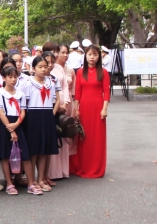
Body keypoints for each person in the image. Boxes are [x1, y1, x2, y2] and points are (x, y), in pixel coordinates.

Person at [70, 45, 109, 179]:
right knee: (84, 138)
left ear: (99, 57)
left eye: (95, 55)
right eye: (89, 55)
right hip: (84, 108)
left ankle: (97, 168)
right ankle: (84, 166)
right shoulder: (80, 72)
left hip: (98, 107)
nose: (92, 57)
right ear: (85, 56)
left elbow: (107, 92)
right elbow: (78, 92)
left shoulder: (103, 72)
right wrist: (76, 108)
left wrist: (105, 108)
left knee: (97, 138)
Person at [0, 64, 31, 194]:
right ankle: (9, 183)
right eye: (10, 77)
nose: (13, 79)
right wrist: (11, 129)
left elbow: (23, 112)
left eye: (15, 77)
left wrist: (17, 124)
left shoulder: (20, 94)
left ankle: (31, 183)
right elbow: (1, 113)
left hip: (17, 123)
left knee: (24, 154)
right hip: (5, 126)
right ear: (3, 78)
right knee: (6, 156)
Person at [24, 55, 61, 193]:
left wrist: (52, 114)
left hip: (47, 115)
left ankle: (41, 178)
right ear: (33, 69)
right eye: (40, 67)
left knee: (44, 150)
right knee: (34, 150)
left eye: (45, 67)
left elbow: (55, 100)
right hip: (33, 115)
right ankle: (32, 180)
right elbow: (25, 103)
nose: (43, 69)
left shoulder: (51, 82)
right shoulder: (28, 83)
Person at [48, 44, 73, 180]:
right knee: (54, 137)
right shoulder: (45, 69)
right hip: (53, 108)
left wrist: (66, 103)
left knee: (63, 136)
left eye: (56, 52)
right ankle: (52, 173)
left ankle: (63, 171)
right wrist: (57, 105)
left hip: (64, 106)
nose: (55, 54)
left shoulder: (59, 68)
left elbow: (64, 87)